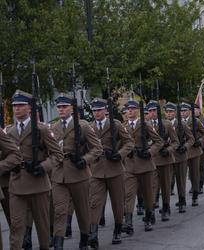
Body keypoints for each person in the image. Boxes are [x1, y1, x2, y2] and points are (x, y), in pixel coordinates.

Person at [6, 90, 63, 250]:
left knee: (42, 225)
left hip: (38, 183)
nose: (16, 109)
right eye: (14, 106)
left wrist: (43, 166)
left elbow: (58, 154)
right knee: (16, 226)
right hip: (17, 184)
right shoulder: (9, 131)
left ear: (29, 108)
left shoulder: (41, 129)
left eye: (20, 105)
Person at [51, 93, 102, 249]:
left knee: (82, 210)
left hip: (79, 173)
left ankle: (85, 238)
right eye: (59, 107)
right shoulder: (54, 128)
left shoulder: (83, 126)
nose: (61, 109)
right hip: (59, 174)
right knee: (59, 210)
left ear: (71, 108)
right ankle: (58, 243)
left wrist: (85, 159)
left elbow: (97, 148)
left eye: (64, 107)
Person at [88, 98, 134, 247]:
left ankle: (118, 231)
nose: (96, 113)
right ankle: (93, 234)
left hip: (115, 169)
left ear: (105, 111)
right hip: (96, 171)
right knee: (94, 203)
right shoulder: (89, 127)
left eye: (99, 110)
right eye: (94, 111)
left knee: (118, 203)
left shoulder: (116, 124)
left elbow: (129, 143)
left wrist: (119, 154)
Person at [122, 100, 163, 234]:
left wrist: (149, 152)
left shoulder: (144, 124)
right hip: (130, 166)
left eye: (133, 109)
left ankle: (148, 217)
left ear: (137, 111)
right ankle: (128, 222)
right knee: (129, 195)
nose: (130, 111)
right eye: (128, 109)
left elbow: (158, 142)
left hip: (145, 164)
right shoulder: (123, 127)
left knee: (148, 194)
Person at [147, 100, 179, 221]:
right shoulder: (145, 124)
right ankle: (152, 210)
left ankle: (166, 208)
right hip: (152, 160)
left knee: (166, 187)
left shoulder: (167, 124)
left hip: (165, 160)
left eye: (154, 110)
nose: (152, 113)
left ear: (158, 111)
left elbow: (175, 142)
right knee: (153, 186)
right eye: (150, 111)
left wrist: (168, 150)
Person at [164, 102, 194, 213]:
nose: (169, 114)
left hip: (180, 156)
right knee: (167, 182)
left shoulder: (182, 124)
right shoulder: (163, 124)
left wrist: (185, 147)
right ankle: (165, 204)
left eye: (171, 112)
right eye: (167, 112)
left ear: (175, 112)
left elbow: (191, 139)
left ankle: (182, 201)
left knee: (181, 181)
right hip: (167, 156)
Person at [180, 103, 204, 206]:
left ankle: (195, 196)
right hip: (182, 151)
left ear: (189, 111)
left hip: (194, 151)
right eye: (181, 111)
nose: (182, 113)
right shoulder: (177, 122)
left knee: (194, 174)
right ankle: (181, 198)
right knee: (181, 175)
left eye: (184, 111)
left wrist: (200, 141)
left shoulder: (195, 121)